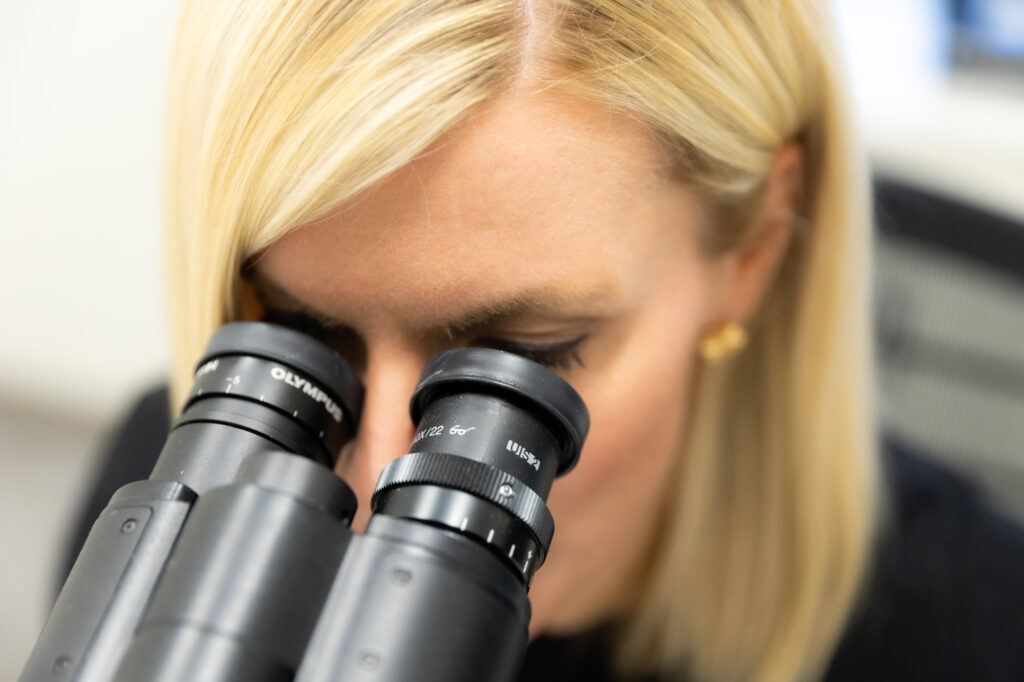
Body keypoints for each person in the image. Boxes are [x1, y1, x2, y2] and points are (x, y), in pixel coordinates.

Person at [71, 0, 1022, 680]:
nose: (375, 478)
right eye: (301, 336)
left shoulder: (977, 629)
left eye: (523, 362)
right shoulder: (165, 498)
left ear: (754, 255)